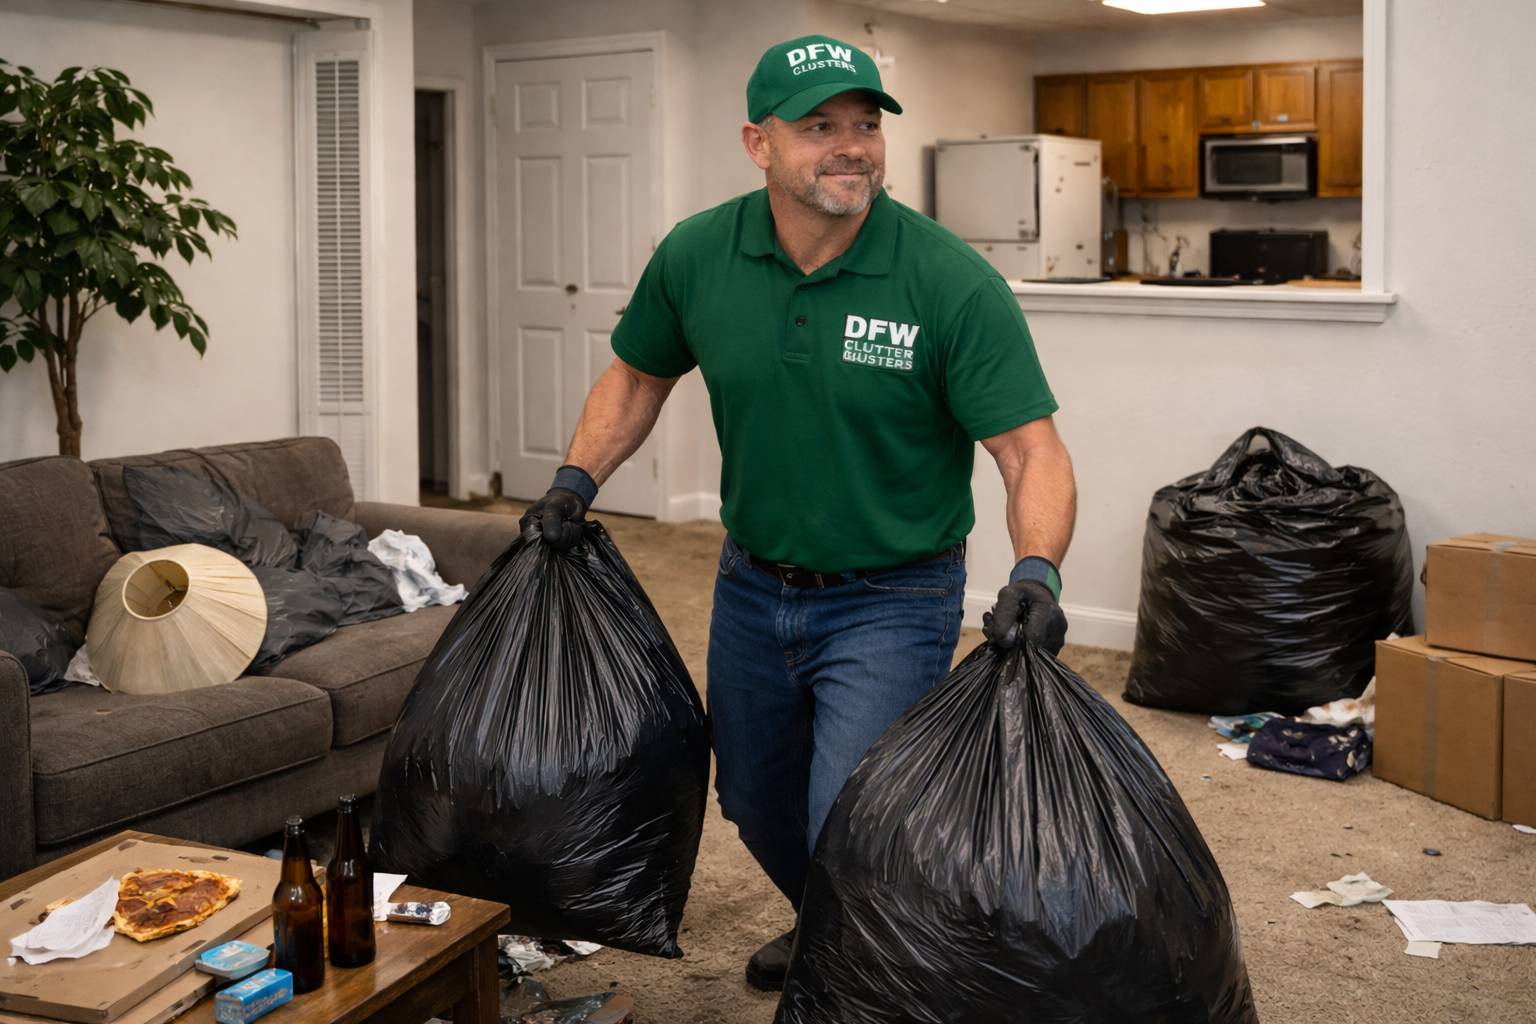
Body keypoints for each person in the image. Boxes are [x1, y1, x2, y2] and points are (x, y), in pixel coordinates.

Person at [519, 34, 1077, 991]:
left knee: (849, 811)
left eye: (864, 125)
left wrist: (1036, 568)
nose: (850, 145)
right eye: (820, 126)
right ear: (759, 143)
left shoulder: (948, 281)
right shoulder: (699, 254)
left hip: (894, 590)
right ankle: (829, 922)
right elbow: (637, 376)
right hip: (749, 580)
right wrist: (575, 479)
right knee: (757, 802)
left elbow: (1030, 450)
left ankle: (869, 975)